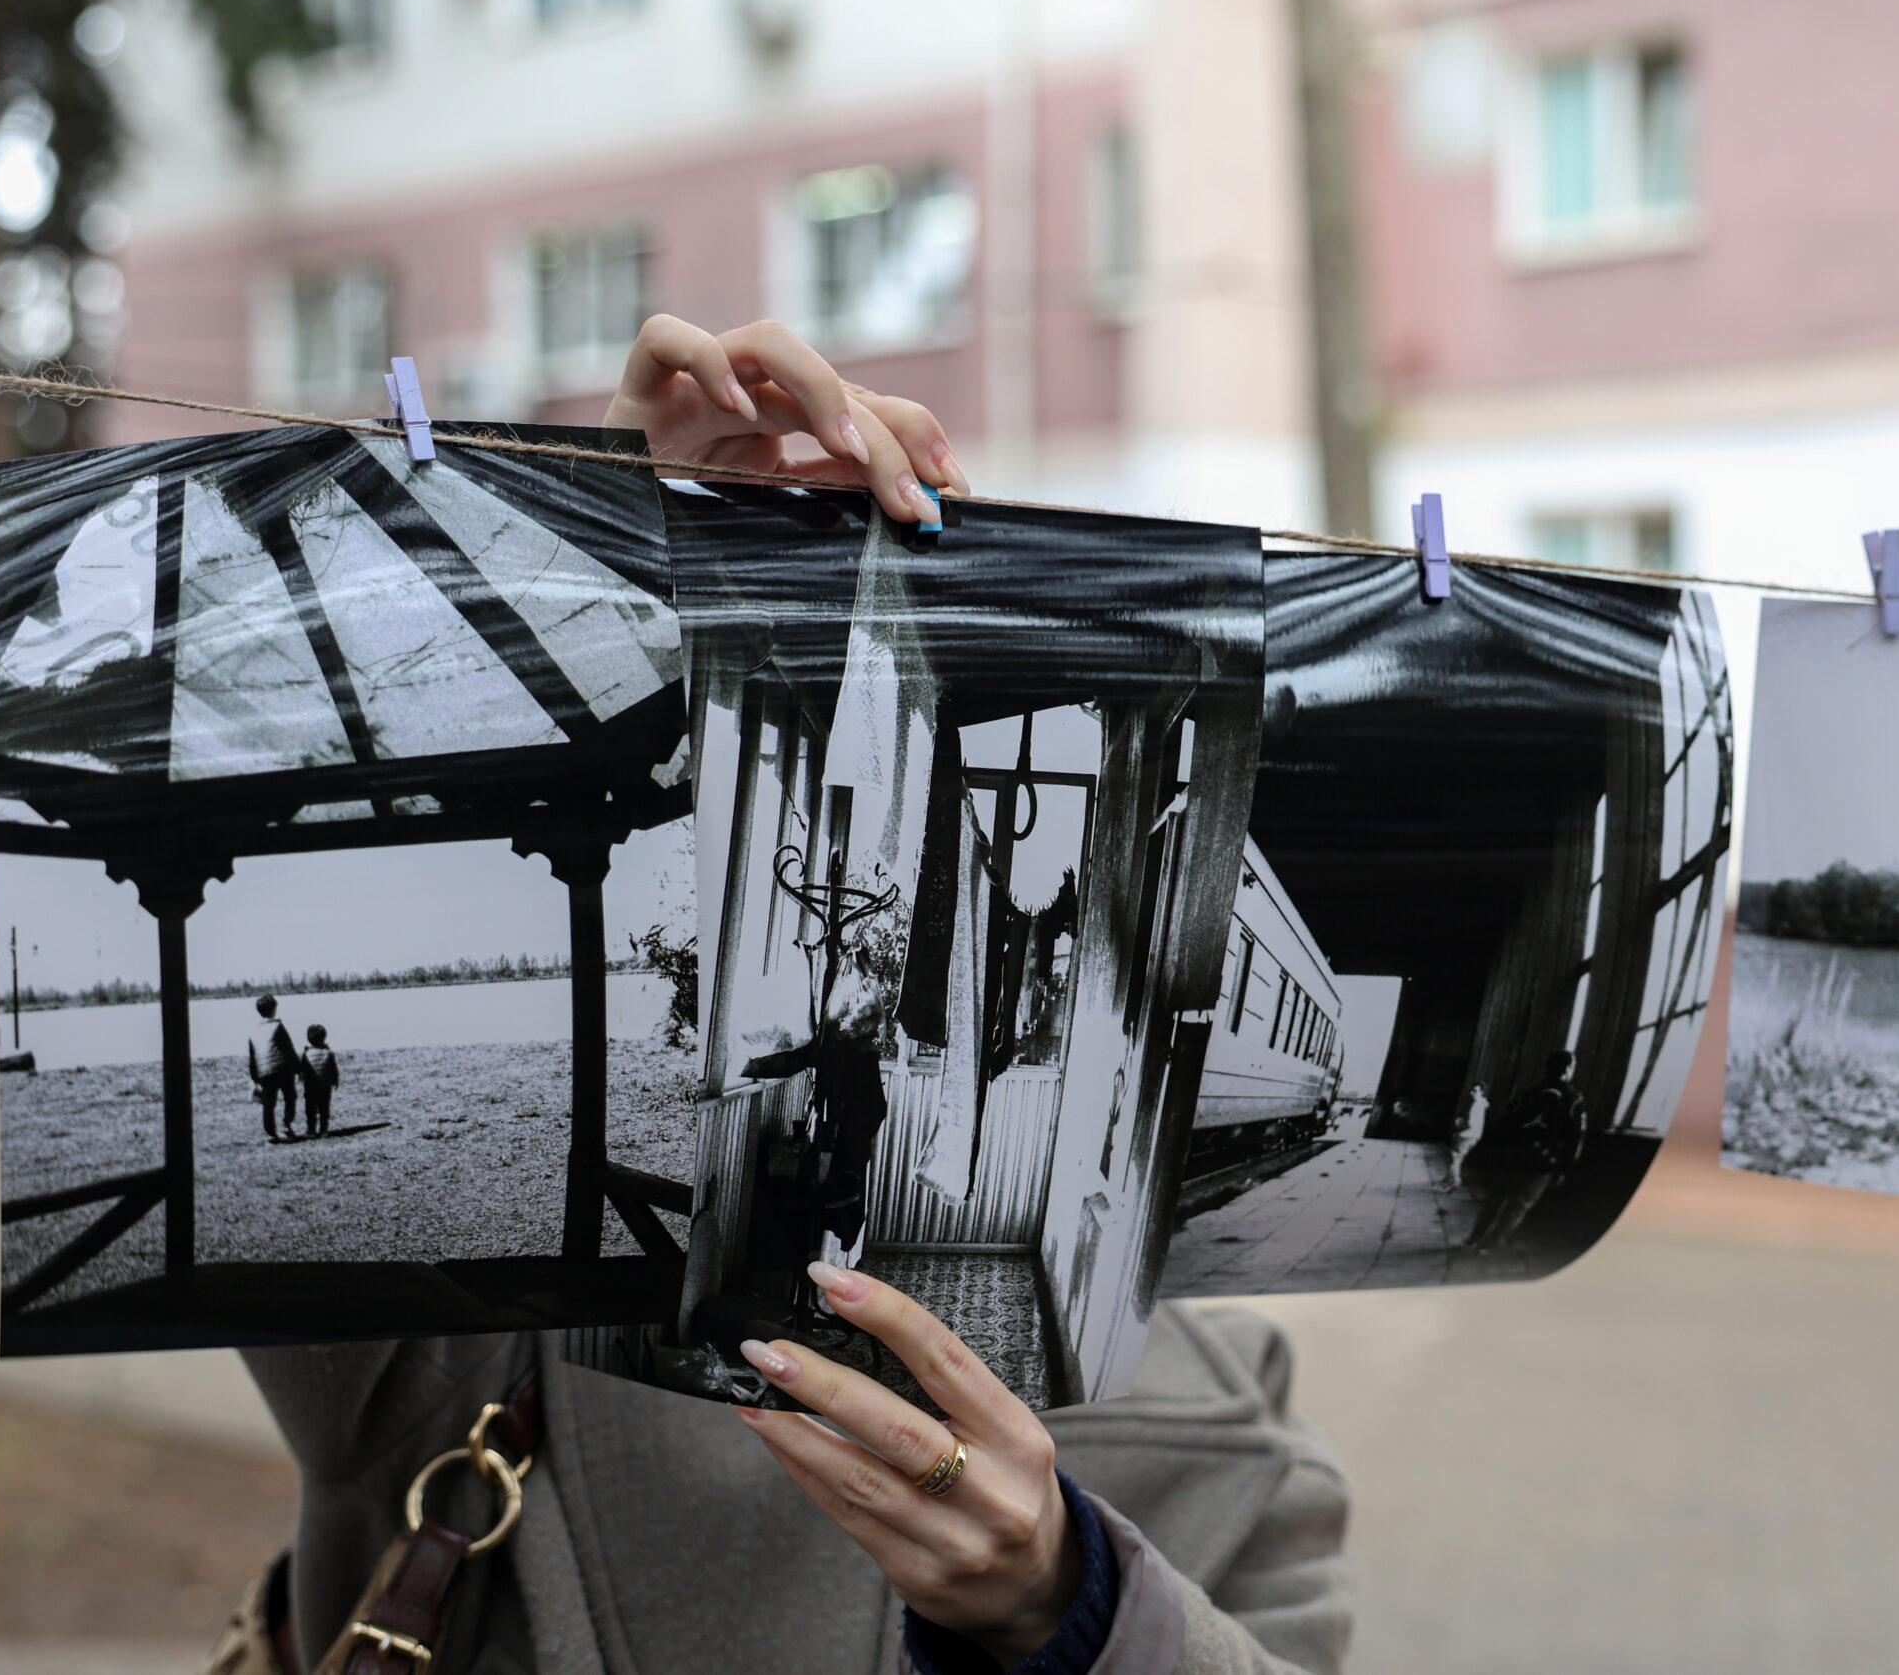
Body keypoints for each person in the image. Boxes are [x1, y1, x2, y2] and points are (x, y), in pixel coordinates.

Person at [227, 317, 1349, 1675]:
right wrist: (573, 556)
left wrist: (1066, 1603)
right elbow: (276, 1171)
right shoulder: (496, 1322)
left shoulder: (1233, 1421)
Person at [1461, 1049, 1590, 1256]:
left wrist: (1488, 1154)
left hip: (1513, 1158)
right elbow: (1575, 1137)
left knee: (1494, 1201)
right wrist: (1564, 1167)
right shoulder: (1574, 1099)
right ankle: (1488, 1245)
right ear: (1567, 1069)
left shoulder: (1527, 1093)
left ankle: (1473, 1238)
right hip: (1543, 1163)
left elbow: (1503, 1125)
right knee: (1518, 1207)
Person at [248, 993, 299, 1142]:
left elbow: (253, 1056)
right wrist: (298, 1068)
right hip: (282, 1070)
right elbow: (288, 1049)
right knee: (290, 1097)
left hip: (264, 1071)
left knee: (269, 1103)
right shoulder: (278, 1026)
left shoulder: (253, 1031)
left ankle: (271, 1133)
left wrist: (255, 1076)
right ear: (274, 1010)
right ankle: (287, 1125)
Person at [300, 1024, 338, 1139]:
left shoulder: (306, 1054)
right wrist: (335, 1081)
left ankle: (311, 1130)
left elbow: (303, 1070)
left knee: (310, 1109)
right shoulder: (329, 1053)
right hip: (325, 1086)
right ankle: (323, 1130)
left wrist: (301, 1079)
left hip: (310, 1087)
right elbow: (333, 1069)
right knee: (324, 1109)